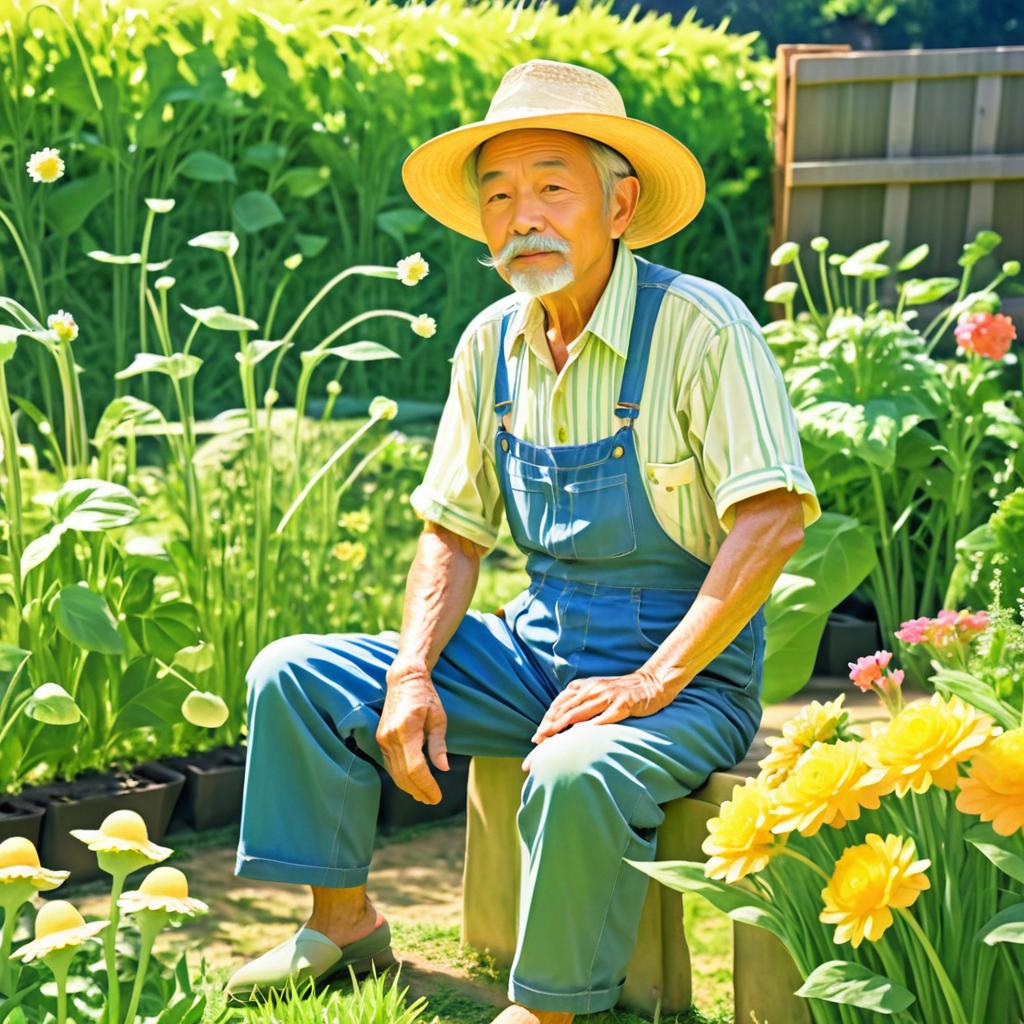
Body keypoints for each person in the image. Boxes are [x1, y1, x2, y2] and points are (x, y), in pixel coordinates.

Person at [226, 58, 822, 1023]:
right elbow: (452, 531)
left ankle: (549, 1006)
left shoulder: (705, 329)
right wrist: (413, 670)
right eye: (498, 194)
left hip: (686, 672)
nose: (521, 215)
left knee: (573, 768)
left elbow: (772, 520)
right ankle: (340, 924)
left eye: (552, 186)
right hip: (537, 645)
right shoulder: (488, 342)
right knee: (293, 673)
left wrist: (646, 685)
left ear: (620, 204)